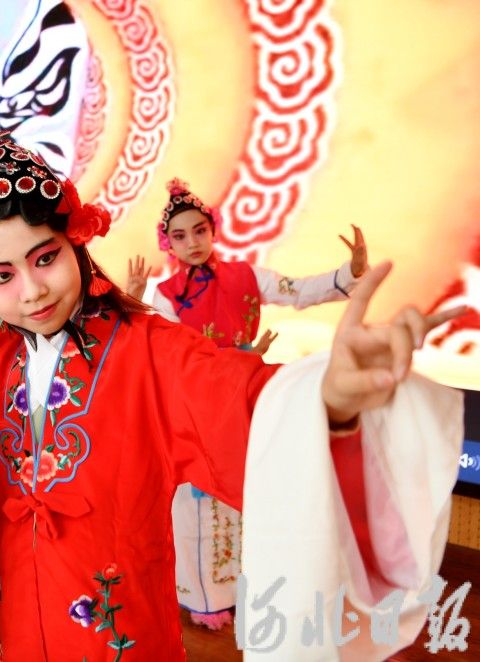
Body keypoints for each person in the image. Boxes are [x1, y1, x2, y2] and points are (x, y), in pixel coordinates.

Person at [0, 128, 464, 659]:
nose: (32, 290)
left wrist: (328, 398)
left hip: (123, 638)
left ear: (75, 241)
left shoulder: (148, 349)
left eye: (45, 258)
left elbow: (241, 398)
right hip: (23, 629)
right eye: (2, 276)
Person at [127, 178, 369, 628]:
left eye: (199, 231)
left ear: (213, 230)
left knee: (256, 489)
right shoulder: (165, 295)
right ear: (168, 244)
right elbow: (161, 351)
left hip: (248, 394)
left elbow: (298, 291)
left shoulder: (246, 276)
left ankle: (260, 585)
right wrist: (136, 297)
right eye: (180, 236)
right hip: (196, 404)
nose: (192, 242)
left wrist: (348, 274)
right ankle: (206, 598)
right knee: (200, 501)